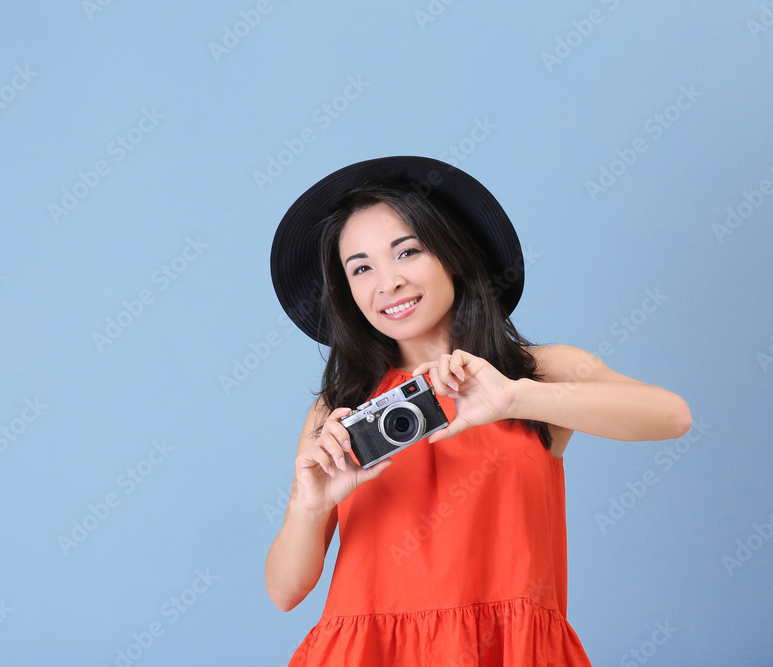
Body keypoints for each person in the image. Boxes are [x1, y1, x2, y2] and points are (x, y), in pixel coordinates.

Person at [265, 156, 691, 666]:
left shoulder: (533, 373)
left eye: (408, 252)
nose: (389, 282)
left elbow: (671, 416)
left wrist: (515, 397)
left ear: (454, 257)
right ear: (348, 291)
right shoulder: (338, 409)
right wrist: (308, 506)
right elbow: (284, 592)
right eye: (362, 267)